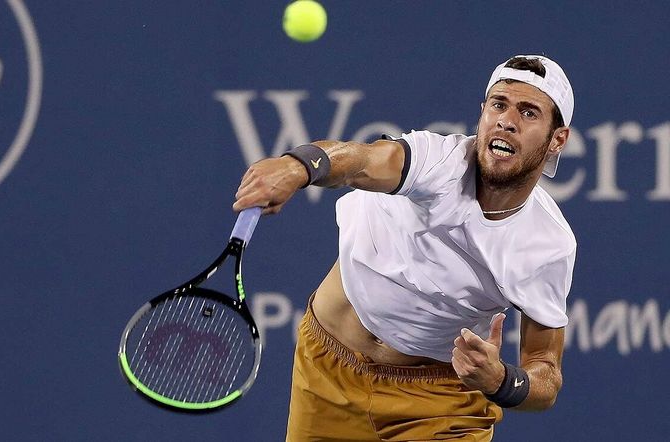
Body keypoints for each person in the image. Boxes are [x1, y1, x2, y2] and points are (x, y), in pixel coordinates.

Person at [233, 55, 576, 441]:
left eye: (528, 113)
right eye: (499, 105)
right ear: (483, 112)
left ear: (557, 139)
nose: (507, 121)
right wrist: (298, 167)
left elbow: (545, 372)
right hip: (325, 376)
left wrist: (501, 380)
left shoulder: (548, 245)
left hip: (440, 404)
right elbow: (360, 160)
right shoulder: (436, 160)